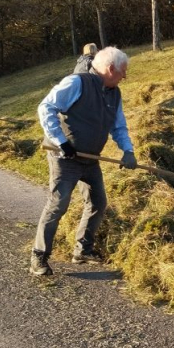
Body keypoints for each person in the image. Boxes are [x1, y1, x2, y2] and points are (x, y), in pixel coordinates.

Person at [30, 46, 136, 276]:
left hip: (91, 158)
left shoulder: (114, 93)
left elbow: (118, 126)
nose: (125, 76)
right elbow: (46, 107)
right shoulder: (77, 83)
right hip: (65, 157)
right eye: (122, 72)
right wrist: (61, 142)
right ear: (109, 69)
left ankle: (83, 250)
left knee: (98, 203)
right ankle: (38, 256)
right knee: (58, 204)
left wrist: (128, 151)